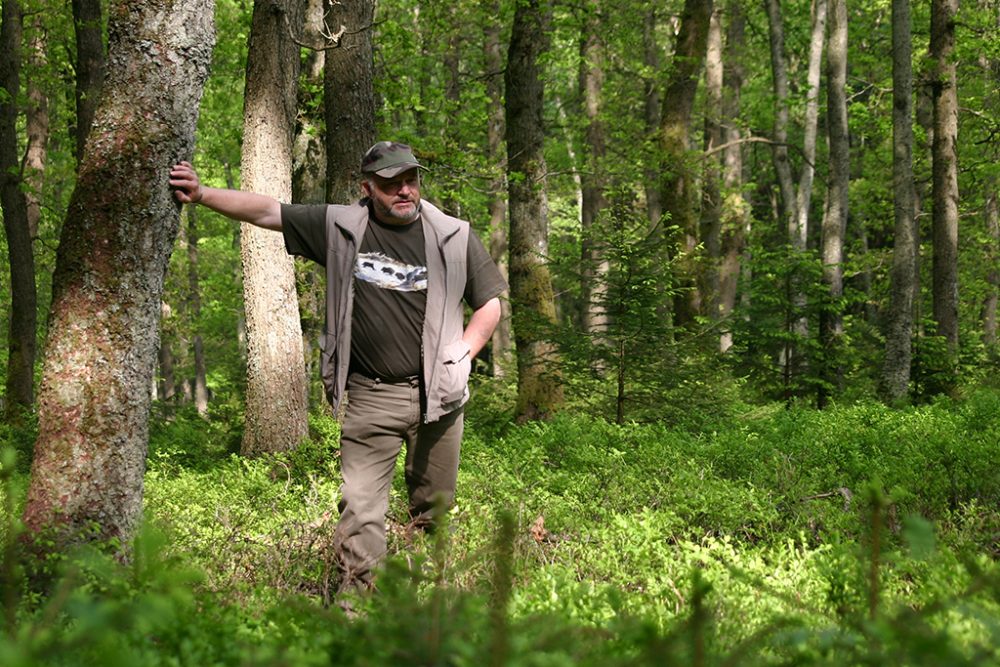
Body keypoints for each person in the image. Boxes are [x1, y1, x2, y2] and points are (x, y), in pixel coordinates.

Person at [169, 141, 506, 600]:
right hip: (371, 396)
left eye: (411, 180)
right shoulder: (340, 228)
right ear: (368, 189)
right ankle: (356, 608)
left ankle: (424, 603)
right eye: (391, 184)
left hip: (441, 395)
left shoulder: (452, 235)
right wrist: (203, 193)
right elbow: (270, 212)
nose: (404, 191)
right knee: (362, 509)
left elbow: (489, 302)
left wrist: (464, 353)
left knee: (433, 509)